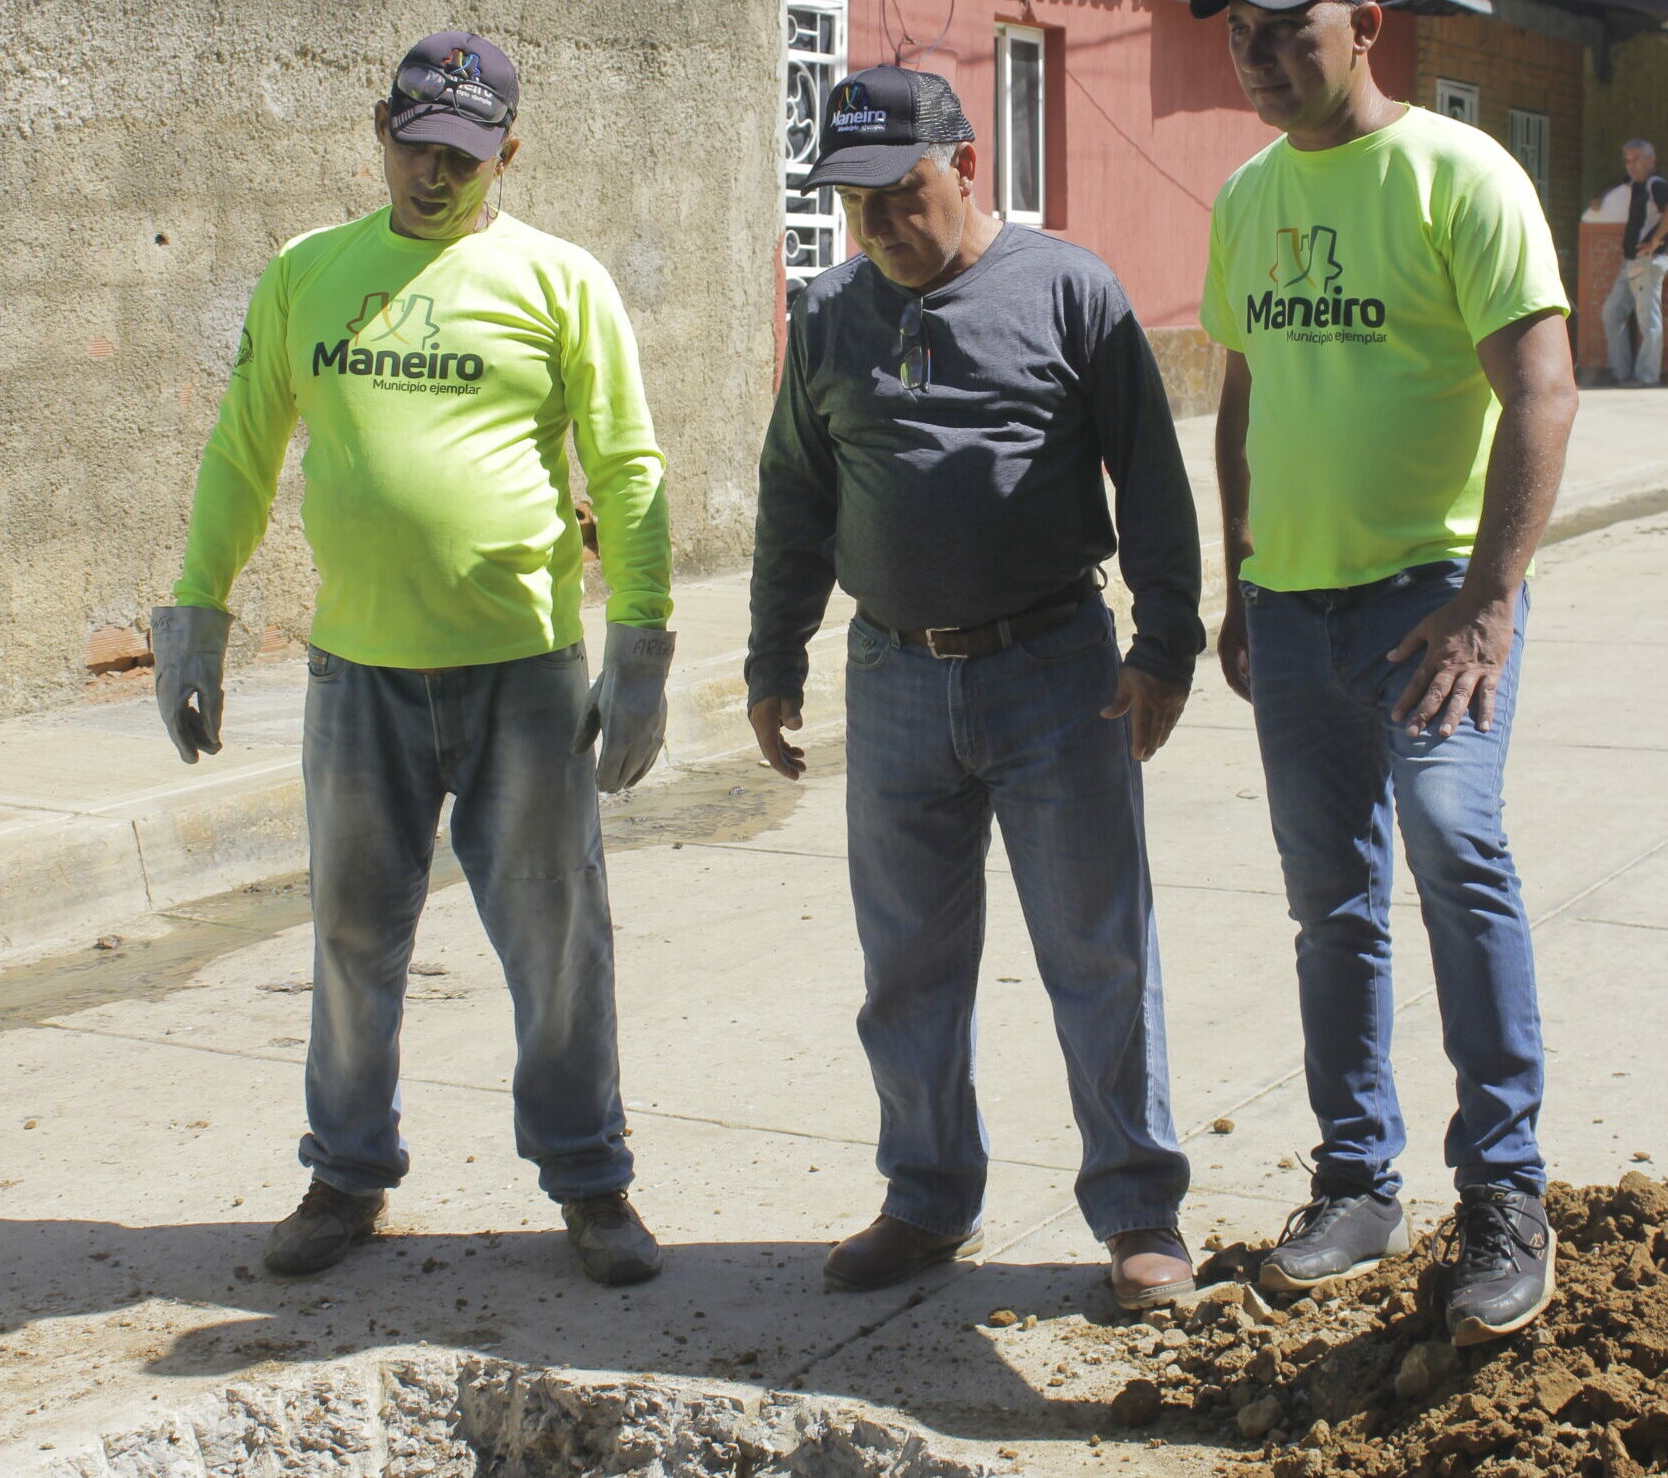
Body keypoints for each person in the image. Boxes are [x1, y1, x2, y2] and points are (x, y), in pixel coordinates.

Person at [150, 31, 674, 1287]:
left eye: (464, 157)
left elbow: (627, 464)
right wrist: (197, 610)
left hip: (523, 676)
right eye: (415, 146)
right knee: (348, 933)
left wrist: (642, 638)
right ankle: (344, 1170)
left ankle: (591, 1180)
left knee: (556, 939)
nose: (435, 176)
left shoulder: (559, 280)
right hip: (359, 679)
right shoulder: (308, 274)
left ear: (508, 153)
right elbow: (242, 448)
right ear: (375, 127)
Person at [746, 66, 1206, 1308]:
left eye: (902, 196)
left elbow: (1152, 481)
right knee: (907, 964)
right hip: (893, 677)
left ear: (965, 165)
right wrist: (772, 657)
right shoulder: (830, 310)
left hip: (1057, 676)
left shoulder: (1069, 290)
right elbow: (795, 491)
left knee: (1099, 951)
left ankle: (1136, 1208)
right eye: (856, 208)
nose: (882, 229)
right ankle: (926, 1193)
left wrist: (1165, 642)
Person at [1189, 0, 1578, 1344]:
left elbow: (1540, 384)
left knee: (1454, 844)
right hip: (1289, 608)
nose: (1253, 50)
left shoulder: (1456, 174)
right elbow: (1239, 397)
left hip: (1426, 600)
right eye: (1236, 28)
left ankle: (1503, 1189)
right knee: (1328, 900)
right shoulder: (1243, 197)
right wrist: (1237, 581)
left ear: (1361, 24)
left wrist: (1487, 599)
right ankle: (1356, 1180)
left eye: (1282, 23)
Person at [1591, 139, 1668, 387]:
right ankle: (1621, 373)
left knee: (1649, 321)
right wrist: (1600, 198)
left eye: (1636, 159)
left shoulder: (1655, 184)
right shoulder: (1636, 182)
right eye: (1628, 160)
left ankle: (1646, 377)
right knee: (1611, 313)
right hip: (1631, 263)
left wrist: (1654, 240)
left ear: (1651, 160)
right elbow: (1617, 182)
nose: (1631, 165)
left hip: (1648, 262)